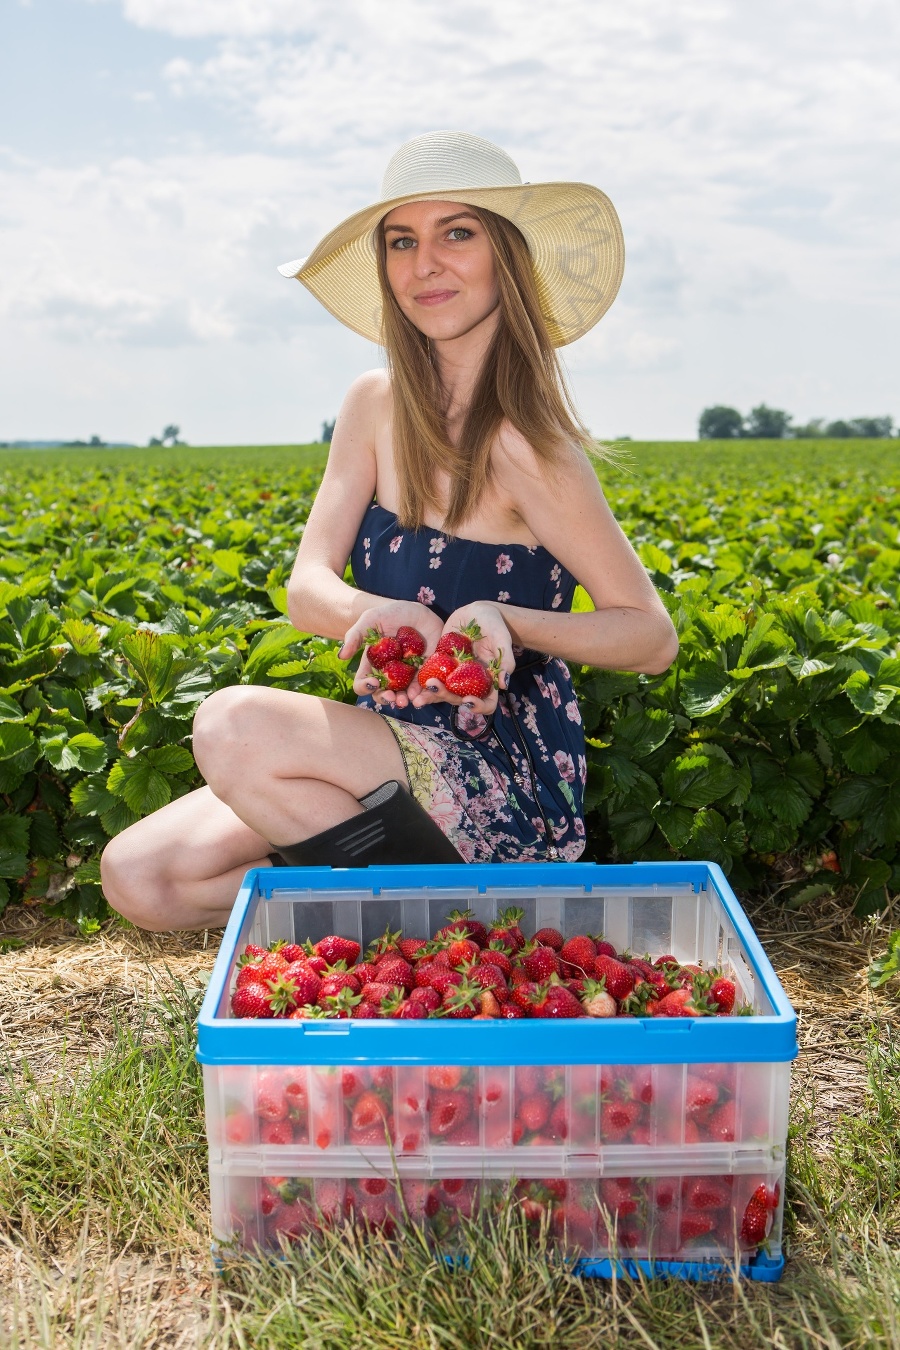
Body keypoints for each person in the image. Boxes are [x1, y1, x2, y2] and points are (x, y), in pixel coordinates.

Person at [100, 130, 678, 932]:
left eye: (457, 233)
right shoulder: (373, 407)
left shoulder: (527, 445)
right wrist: (375, 615)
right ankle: (416, 913)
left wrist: (505, 621)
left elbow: (651, 636)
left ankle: (441, 931)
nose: (424, 263)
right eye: (402, 240)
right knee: (140, 877)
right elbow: (308, 586)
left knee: (232, 724)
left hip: (494, 774)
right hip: (388, 748)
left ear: (506, 257)